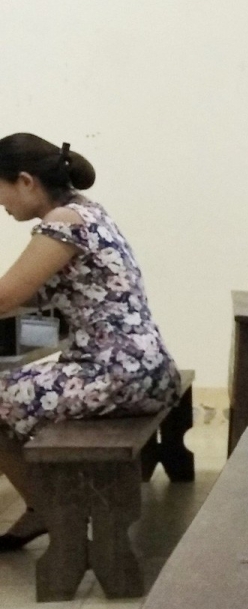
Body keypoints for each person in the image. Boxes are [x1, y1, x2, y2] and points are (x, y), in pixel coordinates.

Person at [0, 134, 181, 550]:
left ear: (25, 181)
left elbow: (6, 298)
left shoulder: (62, 223)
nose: (0, 203)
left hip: (116, 375)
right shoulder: (88, 212)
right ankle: (45, 504)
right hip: (145, 370)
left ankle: (50, 512)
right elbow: (34, 299)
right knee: (13, 386)